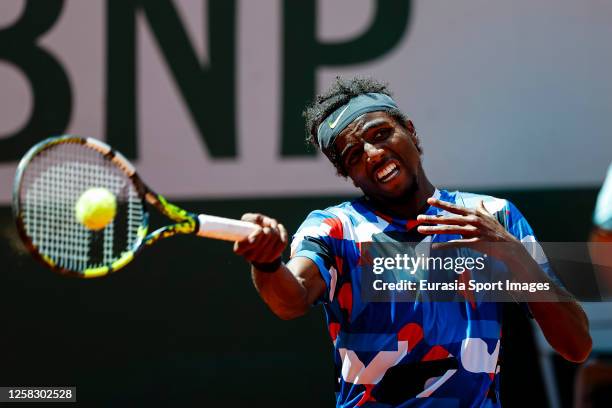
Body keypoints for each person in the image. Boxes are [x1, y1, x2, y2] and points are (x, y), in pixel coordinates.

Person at [234, 77, 592, 407]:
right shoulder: (335, 228)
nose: (373, 154)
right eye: (354, 156)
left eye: (379, 134)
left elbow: (575, 346)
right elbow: (291, 298)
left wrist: (513, 254)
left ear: (410, 131)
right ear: (349, 176)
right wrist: (266, 263)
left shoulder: (493, 216)